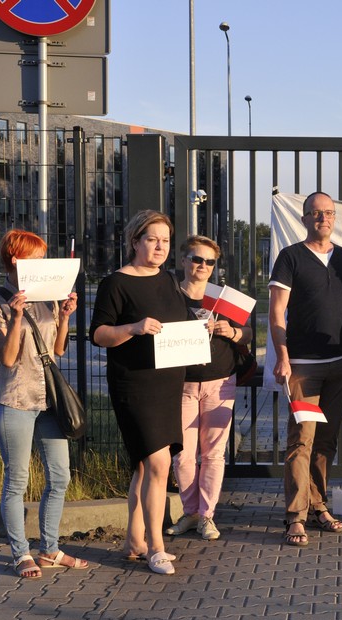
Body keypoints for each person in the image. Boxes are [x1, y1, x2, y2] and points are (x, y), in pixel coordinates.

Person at [0, 229, 87, 579]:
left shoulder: (49, 297)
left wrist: (66, 315)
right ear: (15, 260)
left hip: (48, 401)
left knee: (60, 476)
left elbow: (57, 351)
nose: (41, 263)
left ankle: (50, 549)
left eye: (43, 257)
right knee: (17, 480)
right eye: (35, 258)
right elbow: (8, 359)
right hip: (14, 401)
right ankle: (21, 553)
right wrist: (13, 318)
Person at [91, 210, 190, 574]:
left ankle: (135, 539)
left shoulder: (167, 280)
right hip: (133, 383)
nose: (160, 246)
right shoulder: (115, 283)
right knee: (159, 462)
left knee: (145, 465)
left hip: (166, 383)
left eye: (165, 239)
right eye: (153, 239)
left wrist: (201, 328)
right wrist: (133, 327)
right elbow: (99, 334)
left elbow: (177, 325)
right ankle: (156, 547)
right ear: (135, 241)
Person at [269, 192, 342, 547]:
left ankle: (319, 505)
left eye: (328, 213)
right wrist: (282, 355)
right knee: (302, 441)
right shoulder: (290, 257)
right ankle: (295, 515)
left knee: (326, 442)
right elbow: (277, 312)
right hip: (304, 368)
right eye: (315, 213)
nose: (323, 218)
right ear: (304, 218)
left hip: (340, 366)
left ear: (334, 217)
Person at [165, 236, 251, 541]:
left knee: (214, 454)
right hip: (182, 383)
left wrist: (233, 331)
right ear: (184, 261)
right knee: (183, 455)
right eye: (196, 259)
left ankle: (206, 516)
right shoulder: (170, 296)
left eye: (209, 262)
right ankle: (190, 513)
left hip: (220, 382)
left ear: (214, 267)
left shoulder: (222, 299)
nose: (202, 266)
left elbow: (248, 332)